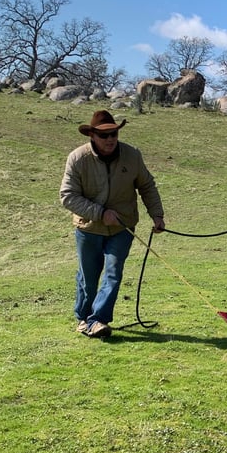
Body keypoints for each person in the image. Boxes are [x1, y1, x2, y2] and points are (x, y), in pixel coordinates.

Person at [60, 110, 166, 338]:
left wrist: (157, 215)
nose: (110, 140)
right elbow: (68, 196)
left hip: (122, 228)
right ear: (92, 136)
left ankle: (98, 320)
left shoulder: (132, 156)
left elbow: (147, 186)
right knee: (88, 277)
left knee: (113, 272)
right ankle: (83, 317)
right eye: (104, 136)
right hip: (88, 228)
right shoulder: (78, 158)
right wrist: (99, 213)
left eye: (113, 135)